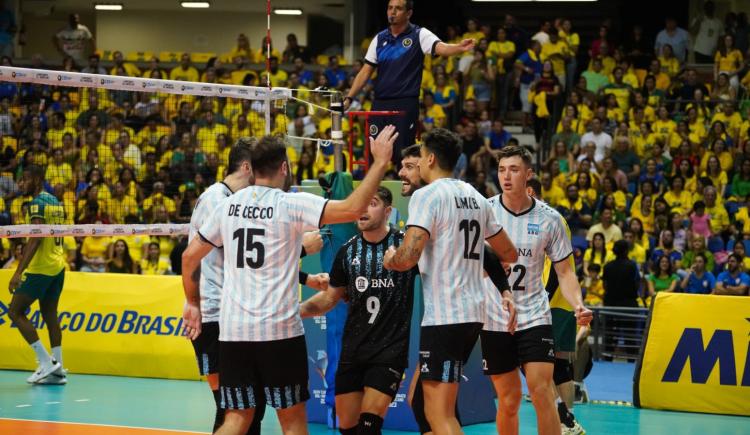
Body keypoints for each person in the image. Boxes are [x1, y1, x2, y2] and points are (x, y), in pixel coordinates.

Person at [181, 126, 398, 435]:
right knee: (292, 420)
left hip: (234, 333)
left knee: (237, 418)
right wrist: (379, 162)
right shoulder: (291, 203)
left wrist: (192, 303)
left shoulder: (227, 206)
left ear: (252, 169)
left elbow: (189, 257)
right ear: (283, 167)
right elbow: (352, 209)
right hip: (279, 332)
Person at [186, 139, 328, 434]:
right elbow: (239, 259)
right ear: (248, 167)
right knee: (233, 412)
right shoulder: (220, 200)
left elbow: (253, 259)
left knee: (246, 413)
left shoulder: (232, 200)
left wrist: (304, 279)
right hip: (216, 313)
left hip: (235, 317)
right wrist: (301, 250)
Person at [383, 128, 519, 434]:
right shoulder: (476, 197)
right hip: (473, 314)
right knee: (423, 403)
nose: (415, 164)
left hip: (445, 316)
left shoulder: (427, 195)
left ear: (430, 158)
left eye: (418, 158)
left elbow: (407, 259)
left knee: (438, 413)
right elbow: (508, 252)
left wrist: (391, 257)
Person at [481, 146, 592, 435]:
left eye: (514, 170)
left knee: (542, 390)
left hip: (534, 314)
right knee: (508, 399)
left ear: (528, 175)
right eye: (502, 169)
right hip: (495, 316)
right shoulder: (485, 211)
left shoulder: (550, 219)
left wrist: (578, 304)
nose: (506, 176)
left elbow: (565, 271)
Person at [300, 187, 419, 435]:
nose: (363, 209)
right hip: (353, 351)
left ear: (388, 212)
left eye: (372, 203)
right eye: (362, 203)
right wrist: (296, 311)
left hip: (389, 352)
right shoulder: (348, 251)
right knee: (348, 429)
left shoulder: (404, 247)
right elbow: (330, 299)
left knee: (368, 427)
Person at [345, 0, 476, 162]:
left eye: (398, 9)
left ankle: (408, 187)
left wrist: (458, 47)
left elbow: (441, 47)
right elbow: (365, 71)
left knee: (404, 155)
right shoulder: (379, 39)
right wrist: (349, 97)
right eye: (390, 8)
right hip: (379, 104)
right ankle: (373, 188)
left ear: (409, 13)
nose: (392, 12)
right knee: (374, 153)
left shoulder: (419, 34)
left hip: (405, 104)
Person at [528, 179, 587, 435]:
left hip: (551, 302)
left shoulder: (549, 218)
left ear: (530, 192)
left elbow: (556, 269)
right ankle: (567, 422)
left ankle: (564, 418)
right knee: (559, 364)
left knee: (542, 362)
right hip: (557, 301)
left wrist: (540, 299)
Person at [7, 165, 67, 384]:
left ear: (38, 180)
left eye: (25, 179)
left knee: (15, 312)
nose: (21, 184)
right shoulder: (56, 202)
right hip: (58, 265)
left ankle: (46, 363)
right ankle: (59, 369)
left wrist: (18, 272)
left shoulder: (36, 204)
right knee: (50, 313)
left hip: (41, 268)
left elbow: (36, 238)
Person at [602, 240, 640, 307]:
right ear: (626, 251)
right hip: (629, 304)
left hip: (610, 304)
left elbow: (605, 285)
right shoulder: (632, 265)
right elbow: (637, 283)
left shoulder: (607, 266)